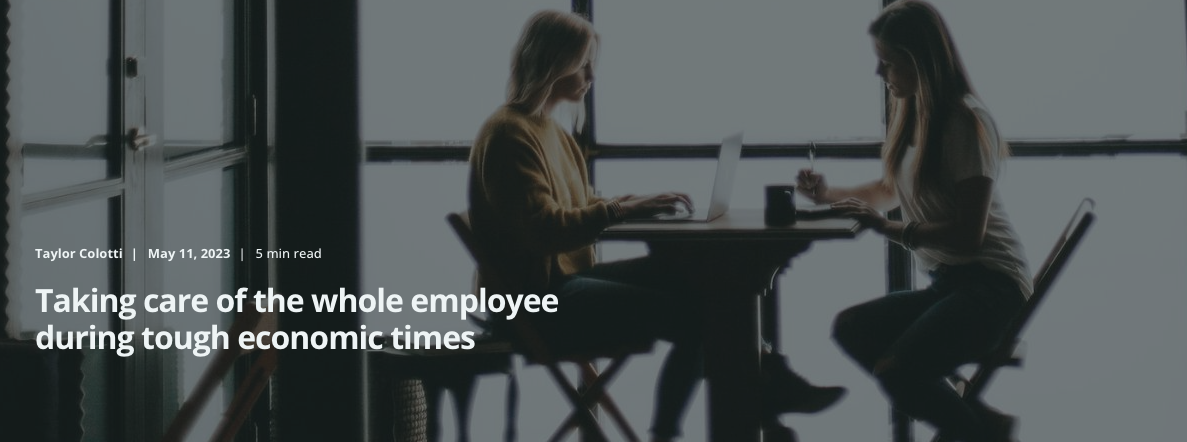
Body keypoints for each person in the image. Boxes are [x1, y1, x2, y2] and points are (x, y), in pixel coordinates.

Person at [468, 10, 842, 442]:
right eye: (583, 63)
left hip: (562, 280)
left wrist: (636, 204)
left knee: (699, 281)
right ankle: (708, 418)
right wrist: (623, 211)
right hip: (533, 301)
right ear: (554, 62)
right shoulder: (508, 135)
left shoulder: (549, 130)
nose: (591, 75)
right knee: (698, 312)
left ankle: (761, 395)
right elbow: (545, 230)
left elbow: (580, 206)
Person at [795, 1, 1031, 441]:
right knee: (852, 329)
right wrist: (828, 194)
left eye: (888, 61)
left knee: (898, 371)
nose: (879, 72)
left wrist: (885, 227)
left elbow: (968, 234)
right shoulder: (917, 118)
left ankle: (976, 432)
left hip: (991, 288)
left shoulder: (964, 120)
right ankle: (984, 425)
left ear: (919, 61)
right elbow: (889, 192)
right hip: (951, 283)